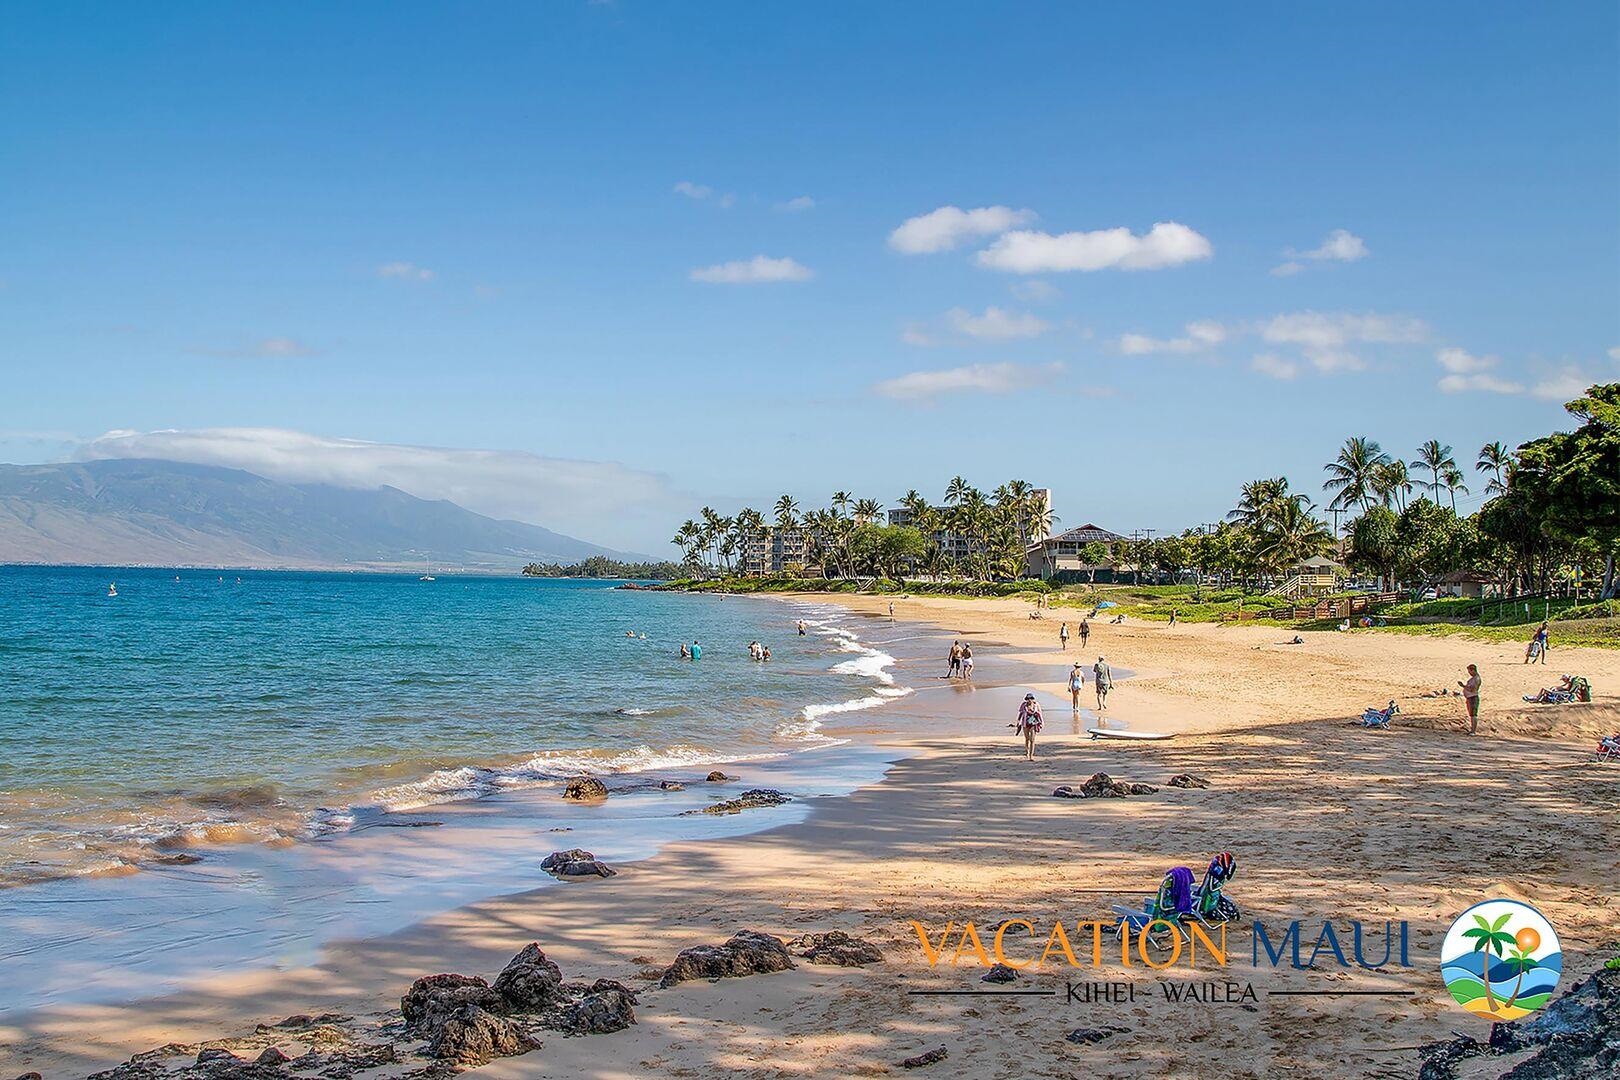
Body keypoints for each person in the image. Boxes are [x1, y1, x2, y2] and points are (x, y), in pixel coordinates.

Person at [1014, 693, 1043, 761]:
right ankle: (1027, 752)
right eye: (1028, 699)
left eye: (1031, 698)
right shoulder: (1024, 705)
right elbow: (1020, 713)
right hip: (1025, 723)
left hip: (1034, 723)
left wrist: (1041, 722)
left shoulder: (1036, 705)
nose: (1029, 700)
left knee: (1032, 740)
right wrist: (1018, 721)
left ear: (1033, 699)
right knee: (1027, 738)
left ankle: (1031, 755)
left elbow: (1040, 714)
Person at [1458, 663, 1481, 734]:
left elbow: (1473, 689)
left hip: (1473, 697)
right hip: (1469, 697)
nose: (1469, 673)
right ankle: (1472, 730)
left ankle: (1473, 731)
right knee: (1471, 714)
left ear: (1473, 670)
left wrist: (1463, 686)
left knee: (1473, 714)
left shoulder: (1476, 679)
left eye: (1470, 671)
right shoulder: (1473, 679)